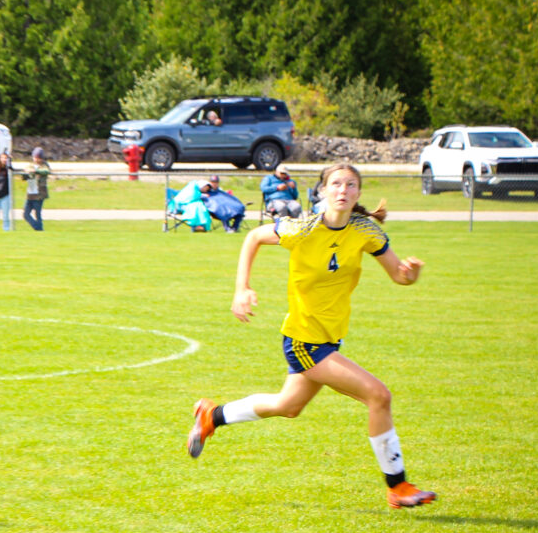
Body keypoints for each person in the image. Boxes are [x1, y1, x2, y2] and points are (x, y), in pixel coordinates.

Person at [186, 163, 436, 510]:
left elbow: (399, 276)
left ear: (358, 194)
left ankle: (212, 416)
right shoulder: (303, 228)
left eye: (351, 184)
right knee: (378, 396)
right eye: (336, 183)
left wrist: (411, 274)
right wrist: (241, 289)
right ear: (322, 191)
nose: (343, 190)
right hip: (304, 341)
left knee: (288, 406)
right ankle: (398, 486)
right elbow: (253, 237)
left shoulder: (366, 231)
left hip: (330, 338)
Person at [20, 147, 50, 231]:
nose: (36, 159)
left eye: (38, 157)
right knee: (26, 214)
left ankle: (39, 229)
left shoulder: (44, 165)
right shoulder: (30, 165)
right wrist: (26, 173)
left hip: (39, 194)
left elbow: (46, 171)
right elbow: (24, 176)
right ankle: (38, 229)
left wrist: (35, 171)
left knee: (37, 214)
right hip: (30, 194)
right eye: (35, 157)